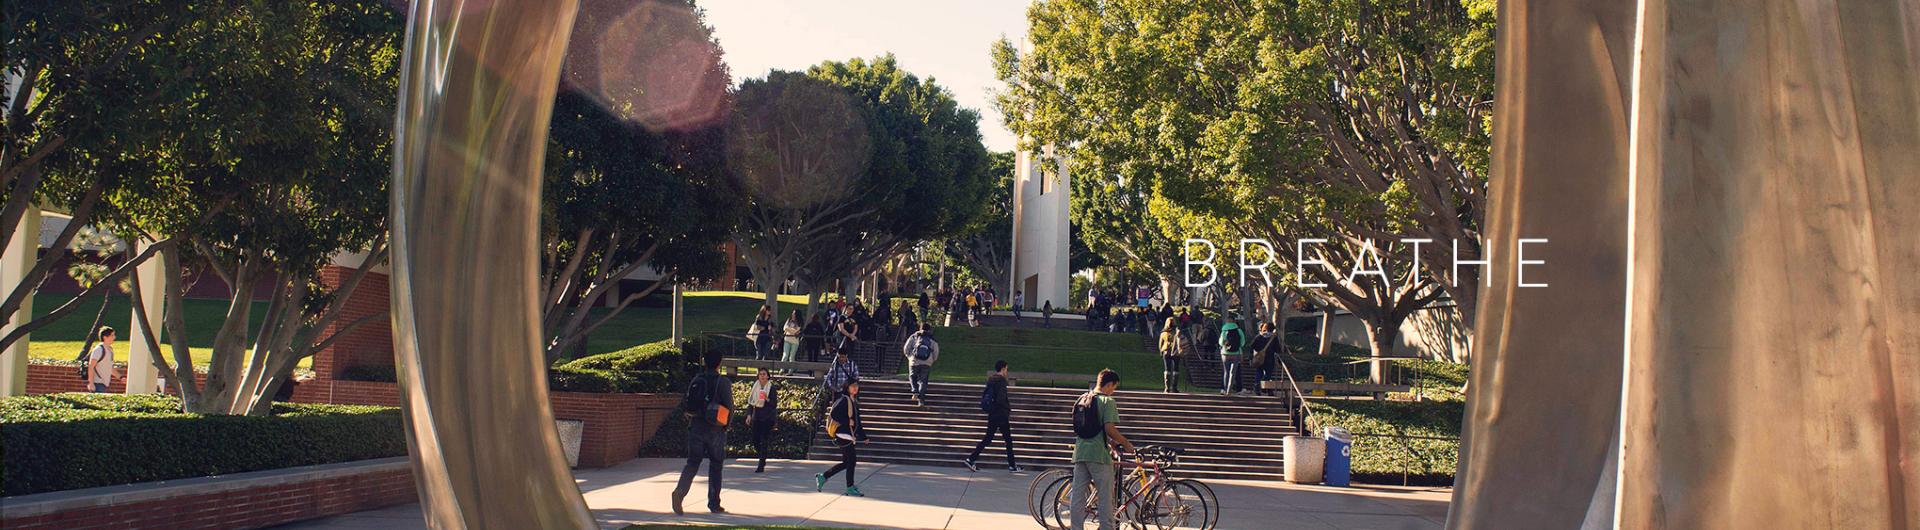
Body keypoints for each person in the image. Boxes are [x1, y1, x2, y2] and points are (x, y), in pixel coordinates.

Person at [1070, 369, 1135, 530]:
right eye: (1114, 387)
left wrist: (1111, 443)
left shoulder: (1082, 398)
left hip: (1080, 452)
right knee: (1106, 498)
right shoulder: (1107, 401)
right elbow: (1109, 428)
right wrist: (1125, 443)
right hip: (1099, 456)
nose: (1113, 391)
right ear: (1108, 384)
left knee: (1077, 497)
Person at [671, 350, 732, 515]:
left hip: (696, 426)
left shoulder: (697, 379)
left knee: (692, 463)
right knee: (716, 465)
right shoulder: (723, 381)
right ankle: (714, 503)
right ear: (720, 363)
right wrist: (726, 426)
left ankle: (680, 492)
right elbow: (729, 407)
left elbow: (688, 402)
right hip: (715, 429)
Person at [815, 379, 871, 497]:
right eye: (852, 386)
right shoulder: (844, 400)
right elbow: (834, 414)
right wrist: (847, 421)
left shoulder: (853, 401)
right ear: (847, 387)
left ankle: (823, 476)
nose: (855, 388)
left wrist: (864, 437)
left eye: (856, 385)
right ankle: (849, 487)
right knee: (852, 461)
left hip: (848, 435)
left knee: (847, 462)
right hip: (842, 434)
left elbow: (857, 422)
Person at [965, 360, 1020, 472]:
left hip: (993, 414)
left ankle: (971, 459)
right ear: (1003, 368)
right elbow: (1001, 399)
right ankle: (1012, 465)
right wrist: (1007, 408)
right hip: (1001, 414)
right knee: (1008, 440)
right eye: (1006, 369)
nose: (1007, 371)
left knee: (988, 438)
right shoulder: (1001, 381)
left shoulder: (991, 380)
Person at [747, 370, 781, 472]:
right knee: (755, 439)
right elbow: (751, 402)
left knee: (764, 440)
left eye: (764, 374)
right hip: (757, 416)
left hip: (767, 417)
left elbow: (774, 404)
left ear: (768, 377)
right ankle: (763, 456)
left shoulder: (771, 388)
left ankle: (761, 464)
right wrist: (749, 415)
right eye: (760, 374)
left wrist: (767, 399)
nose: (762, 376)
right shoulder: (755, 387)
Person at [902, 324, 940, 406]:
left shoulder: (914, 337)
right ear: (929, 330)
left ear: (920, 328)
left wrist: (909, 357)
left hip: (914, 361)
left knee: (912, 376)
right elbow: (936, 352)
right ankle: (921, 400)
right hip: (926, 362)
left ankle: (915, 391)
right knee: (923, 381)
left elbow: (906, 349)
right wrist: (932, 360)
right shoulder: (932, 339)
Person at [1157, 318, 1189, 393]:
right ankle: (1174, 387)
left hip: (1166, 351)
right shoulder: (1177, 332)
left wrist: (1161, 352)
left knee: (1167, 370)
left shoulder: (1163, 333)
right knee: (1176, 370)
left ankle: (1167, 388)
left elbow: (1160, 344)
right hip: (1176, 352)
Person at [1249, 321, 1281, 396]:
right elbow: (1278, 349)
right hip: (1269, 358)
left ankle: (1257, 387)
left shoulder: (1259, 336)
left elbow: (1252, 346)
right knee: (1268, 374)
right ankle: (1265, 387)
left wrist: (1253, 355)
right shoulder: (1273, 337)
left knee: (1259, 373)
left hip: (1259, 358)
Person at [1218, 317, 1247, 395]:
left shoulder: (1224, 331)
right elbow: (1243, 343)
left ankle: (1224, 389)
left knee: (1226, 372)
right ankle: (1230, 390)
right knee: (1233, 372)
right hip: (1236, 353)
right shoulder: (1239, 331)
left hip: (1225, 353)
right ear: (1234, 322)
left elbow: (1220, 342)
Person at [86, 326, 118, 393]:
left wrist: (120, 377)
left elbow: (109, 367)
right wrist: (91, 383)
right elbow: (91, 366)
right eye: (112, 335)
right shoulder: (99, 349)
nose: (114, 337)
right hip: (97, 384)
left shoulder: (110, 350)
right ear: (105, 337)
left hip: (104, 384)